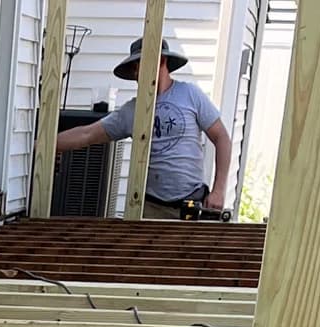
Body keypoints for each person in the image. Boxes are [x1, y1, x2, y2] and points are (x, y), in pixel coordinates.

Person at [54, 36, 232, 221]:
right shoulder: (133, 110)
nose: (136, 72)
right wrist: (44, 145)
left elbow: (222, 138)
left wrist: (218, 190)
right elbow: (87, 134)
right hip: (149, 207)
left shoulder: (190, 95)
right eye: (134, 68)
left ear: (161, 60)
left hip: (191, 206)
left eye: (139, 65)